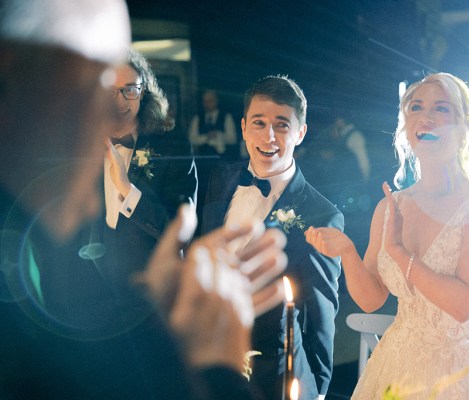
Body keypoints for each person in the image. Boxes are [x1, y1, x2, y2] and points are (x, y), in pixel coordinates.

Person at [0, 0, 286, 399]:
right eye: (97, 88)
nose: (115, 106)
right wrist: (217, 366)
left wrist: (155, 319)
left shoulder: (170, 148)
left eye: (126, 90)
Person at [306, 73, 469, 399]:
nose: (426, 117)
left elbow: (466, 305)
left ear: (464, 127)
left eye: (441, 109)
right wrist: (347, 252)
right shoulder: (391, 206)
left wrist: (399, 253)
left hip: (455, 372)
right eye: (416, 108)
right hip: (393, 364)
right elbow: (372, 300)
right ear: (406, 126)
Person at [201, 75, 344, 400]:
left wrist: (318, 389)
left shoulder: (321, 214)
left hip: (275, 374)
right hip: (212, 364)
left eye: (281, 125)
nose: (268, 136)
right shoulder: (220, 179)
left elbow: (321, 313)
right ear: (243, 127)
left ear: (300, 132)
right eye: (259, 123)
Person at [97, 47, 197, 325]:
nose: (120, 102)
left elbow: (181, 231)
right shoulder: (82, 141)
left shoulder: (173, 145)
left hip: (152, 299)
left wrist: (127, 189)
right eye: (110, 91)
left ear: (143, 92)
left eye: (130, 89)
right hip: (92, 301)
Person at [188, 89, 239, 159]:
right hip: (203, 159)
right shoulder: (197, 118)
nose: (207, 104)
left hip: (223, 159)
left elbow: (233, 139)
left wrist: (219, 135)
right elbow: (191, 139)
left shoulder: (226, 117)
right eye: (204, 101)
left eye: (210, 101)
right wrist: (206, 137)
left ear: (216, 101)